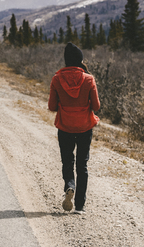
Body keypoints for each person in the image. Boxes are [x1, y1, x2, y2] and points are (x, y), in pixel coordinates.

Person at [48, 42, 100, 214]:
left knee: (67, 161)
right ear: (79, 60)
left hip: (65, 126)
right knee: (82, 165)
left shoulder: (56, 79)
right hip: (85, 126)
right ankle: (79, 206)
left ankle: (70, 186)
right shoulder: (89, 79)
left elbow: (52, 106)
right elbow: (97, 106)